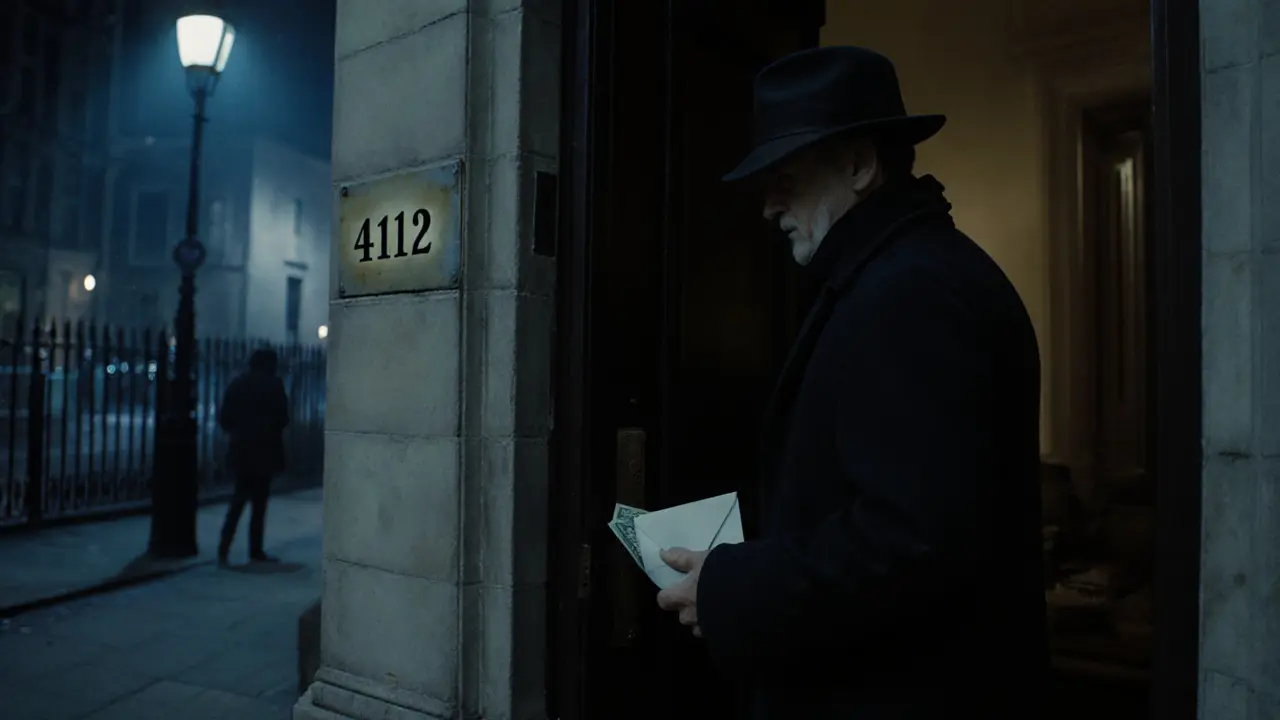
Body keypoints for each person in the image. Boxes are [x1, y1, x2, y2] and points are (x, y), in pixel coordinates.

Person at [654, 46, 1047, 718]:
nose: (768, 207)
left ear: (861, 165)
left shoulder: (911, 293)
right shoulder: (898, 276)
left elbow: (912, 542)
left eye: (785, 177)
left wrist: (730, 589)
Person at [217, 348, 290, 565]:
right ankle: (255, 550)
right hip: (265, 450)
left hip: (241, 449)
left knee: (238, 500)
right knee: (259, 504)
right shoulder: (274, 385)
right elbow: (283, 418)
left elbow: (224, 417)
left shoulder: (238, 384)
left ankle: (224, 548)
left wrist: (239, 432)